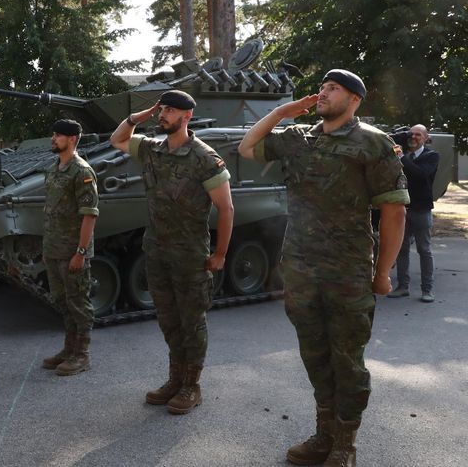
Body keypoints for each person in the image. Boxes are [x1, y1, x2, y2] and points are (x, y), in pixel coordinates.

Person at [238, 69, 408, 467]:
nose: (323, 93)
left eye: (334, 89)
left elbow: (394, 211)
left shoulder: (372, 142)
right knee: (315, 355)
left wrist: (383, 272)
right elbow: (248, 146)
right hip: (300, 268)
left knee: (346, 359)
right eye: (322, 88)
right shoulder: (299, 139)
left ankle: (345, 443)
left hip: (347, 271)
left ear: (354, 100)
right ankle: (324, 434)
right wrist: (284, 110)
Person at [109, 90, 234, 415]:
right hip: (157, 251)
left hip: (190, 255)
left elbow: (226, 207)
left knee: (191, 321)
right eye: (162, 109)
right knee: (167, 319)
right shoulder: (152, 149)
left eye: (170, 110)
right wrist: (142, 115)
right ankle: (175, 378)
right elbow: (118, 139)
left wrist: (220, 253)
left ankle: (192, 385)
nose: (163, 114)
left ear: (187, 116)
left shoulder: (205, 157)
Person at [40, 119, 99, 376]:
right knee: (62, 301)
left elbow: (89, 215)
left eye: (59, 135)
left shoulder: (81, 172)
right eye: (54, 135)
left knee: (79, 303)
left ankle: (82, 355)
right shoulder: (54, 168)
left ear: (73, 139)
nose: (54, 139)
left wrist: (81, 252)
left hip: (73, 251)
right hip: (53, 248)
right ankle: (69, 349)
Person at [388, 124, 439, 303]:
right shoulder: (405, 156)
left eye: (418, 134)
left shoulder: (431, 156)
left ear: (426, 138)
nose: (414, 137)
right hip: (404, 208)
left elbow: (420, 174)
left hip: (422, 210)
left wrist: (401, 156)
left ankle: (427, 290)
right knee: (401, 249)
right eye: (411, 134)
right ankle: (402, 287)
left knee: (424, 249)